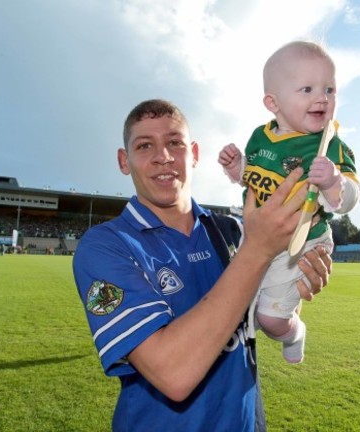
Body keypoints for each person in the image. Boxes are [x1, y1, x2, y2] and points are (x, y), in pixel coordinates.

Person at [73, 99, 332, 432]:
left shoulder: (233, 231)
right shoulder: (106, 246)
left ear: (193, 153)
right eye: (144, 145)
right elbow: (172, 373)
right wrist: (257, 251)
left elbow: (260, 321)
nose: (162, 156)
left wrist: (297, 282)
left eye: (175, 143)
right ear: (125, 161)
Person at [218, 40, 360, 364]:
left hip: (303, 242)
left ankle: (294, 331)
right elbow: (256, 180)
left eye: (330, 89)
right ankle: (280, 314)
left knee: (270, 320)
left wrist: (334, 182)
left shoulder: (330, 147)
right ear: (273, 102)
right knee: (243, 308)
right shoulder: (259, 136)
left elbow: (351, 197)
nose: (322, 98)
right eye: (307, 89)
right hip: (258, 237)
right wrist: (237, 168)